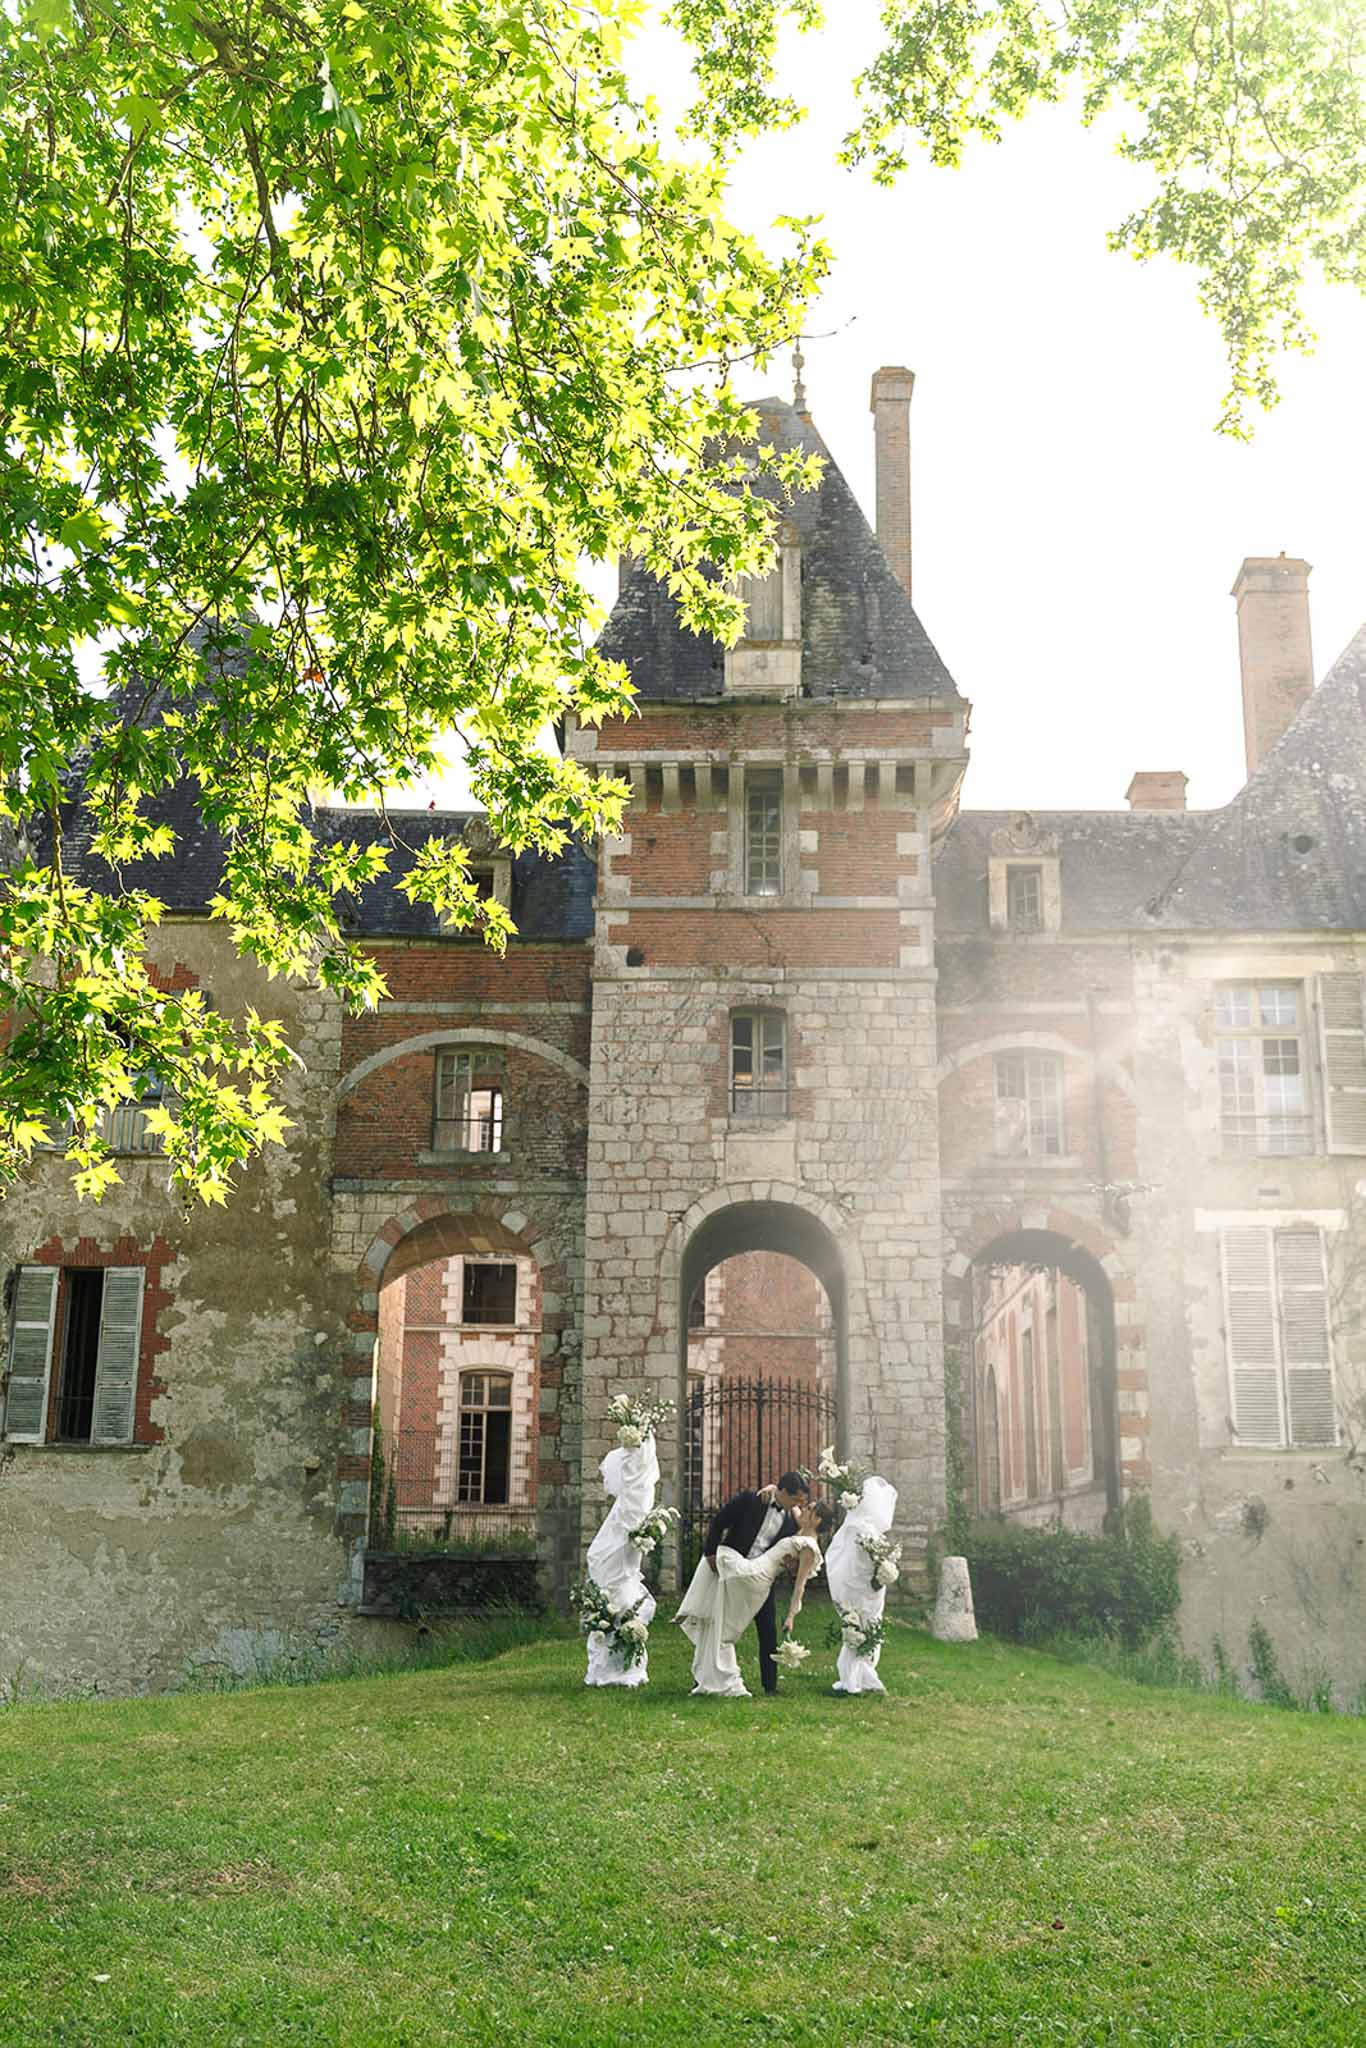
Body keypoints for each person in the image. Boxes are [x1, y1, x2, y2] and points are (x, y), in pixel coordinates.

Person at [677, 1497, 831, 1697]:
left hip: (756, 1576)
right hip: (753, 1569)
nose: (802, 1509)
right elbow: (788, 1499)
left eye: (809, 1509)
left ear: (817, 1520)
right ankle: (710, 1675)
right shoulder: (800, 1530)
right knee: (719, 1616)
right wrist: (771, 1489)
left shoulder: (809, 1547)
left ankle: (725, 1678)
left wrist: (791, 1616)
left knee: (723, 1557)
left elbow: (799, 1586)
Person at [697, 1471, 809, 1696]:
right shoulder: (752, 1500)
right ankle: (705, 1678)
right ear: (782, 1491)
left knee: (768, 1629)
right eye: (795, 1499)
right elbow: (719, 1521)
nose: (797, 1505)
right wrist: (710, 1554)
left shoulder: (790, 1523)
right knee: (719, 1625)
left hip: (760, 1578)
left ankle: (770, 1685)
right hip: (732, 1573)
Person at [582, 1435, 658, 1688]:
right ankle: (611, 1663)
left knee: (622, 1592)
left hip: (627, 1544)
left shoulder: (638, 1495)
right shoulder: (630, 1498)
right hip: (622, 1536)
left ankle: (624, 1662)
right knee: (614, 1587)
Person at [825, 1474, 898, 1695]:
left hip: (863, 1585)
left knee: (862, 1626)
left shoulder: (858, 1526)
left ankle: (859, 1674)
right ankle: (858, 1676)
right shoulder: (865, 1530)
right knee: (863, 1625)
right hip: (864, 1586)